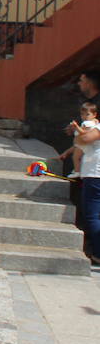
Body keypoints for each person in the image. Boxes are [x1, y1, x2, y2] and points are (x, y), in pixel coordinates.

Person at [66, 102, 100, 265]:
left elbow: (84, 139)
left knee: (92, 215)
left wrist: (77, 132)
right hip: (93, 174)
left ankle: (98, 253)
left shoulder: (96, 127)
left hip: (95, 174)